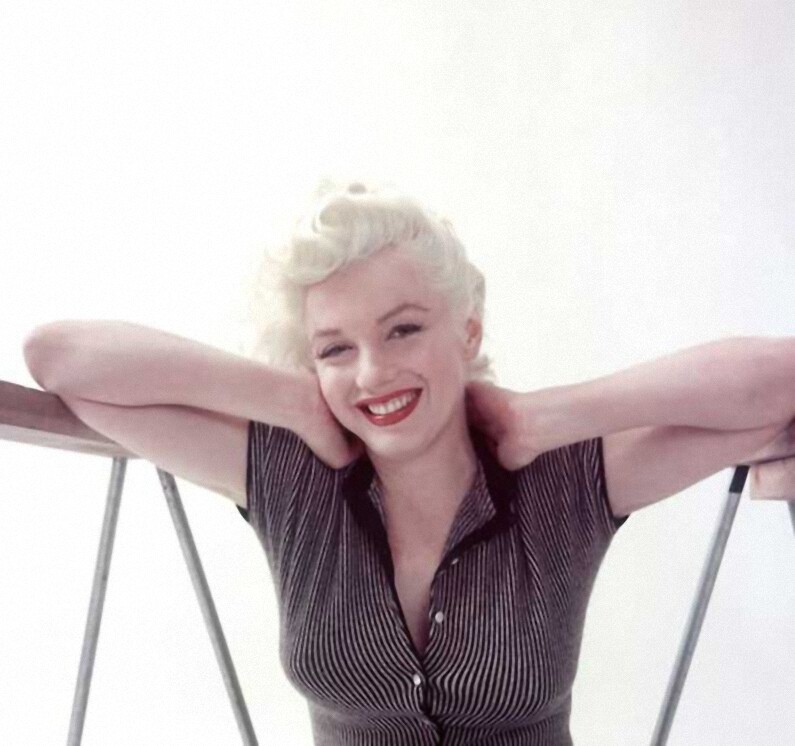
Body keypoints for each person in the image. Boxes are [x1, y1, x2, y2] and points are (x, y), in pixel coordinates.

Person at [24, 179, 790, 746]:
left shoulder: (562, 480)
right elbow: (60, 355)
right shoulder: (293, 480)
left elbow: (779, 379)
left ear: (466, 332)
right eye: (336, 348)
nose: (372, 374)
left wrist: (549, 414)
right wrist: (296, 400)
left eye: (403, 330)